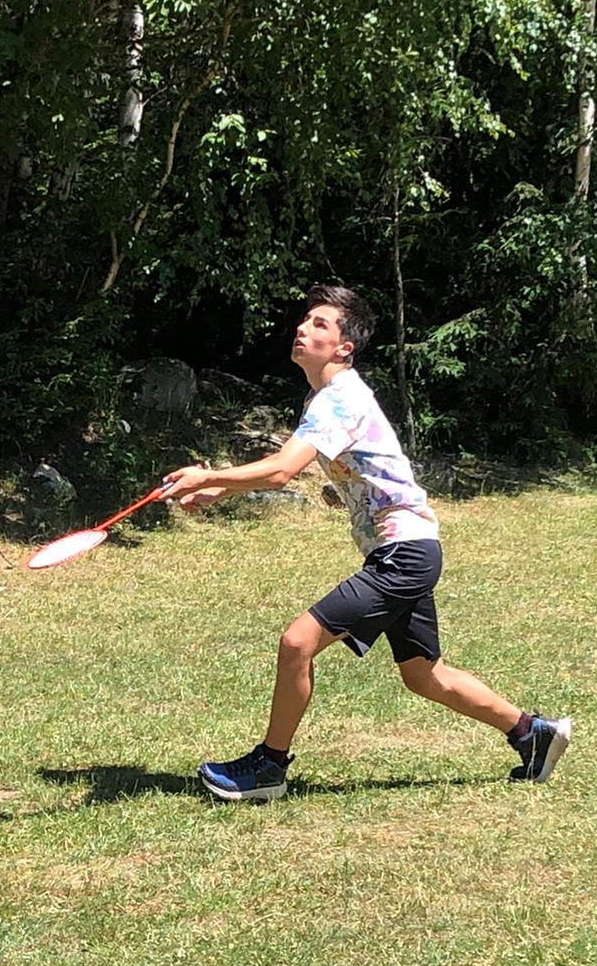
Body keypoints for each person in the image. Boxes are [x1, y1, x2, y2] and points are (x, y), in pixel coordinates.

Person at [163, 284, 571, 801]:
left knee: (297, 643)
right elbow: (295, 466)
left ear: (344, 347)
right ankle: (533, 734)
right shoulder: (325, 399)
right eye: (305, 320)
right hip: (408, 549)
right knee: (424, 676)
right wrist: (220, 489)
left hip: (404, 553)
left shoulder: (340, 398)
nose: (303, 328)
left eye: (319, 324)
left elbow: (282, 471)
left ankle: (269, 768)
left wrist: (207, 476)